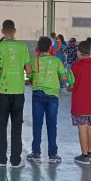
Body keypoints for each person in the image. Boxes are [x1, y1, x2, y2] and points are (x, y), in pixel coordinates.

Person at [0, 20, 31, 168]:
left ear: (3, 31)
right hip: (18, 91)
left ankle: (1, 158)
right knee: (16, 125)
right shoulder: (23, 47)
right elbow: (28, 71)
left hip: (3, 90)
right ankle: (16, 160)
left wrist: (3, 70)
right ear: (14, 31)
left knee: (1, 124)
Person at [26, 36, 68, 164]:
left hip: (37, 94)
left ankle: (36, 152)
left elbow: (30, 77)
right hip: (53, 95)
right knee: (52, 124)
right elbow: (64, 78)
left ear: (38, 48)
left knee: (37, 124)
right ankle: (53, 154)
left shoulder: (35, 61)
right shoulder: (56, 61)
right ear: (51, 47)